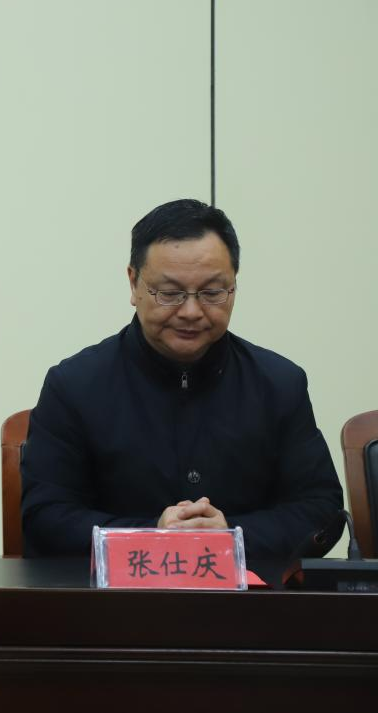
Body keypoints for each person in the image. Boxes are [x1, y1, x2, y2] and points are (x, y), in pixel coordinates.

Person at [20, 199, 343, 564]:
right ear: (133, 283)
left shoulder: (279, 384)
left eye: (212, 292)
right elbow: (45, 518)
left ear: (234, 285)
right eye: (170, 293)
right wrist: (153, 535)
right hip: (115, 597)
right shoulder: (74, 386)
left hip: (250, 596)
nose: (191, 311)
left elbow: (322, 510)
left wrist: (232, 536)